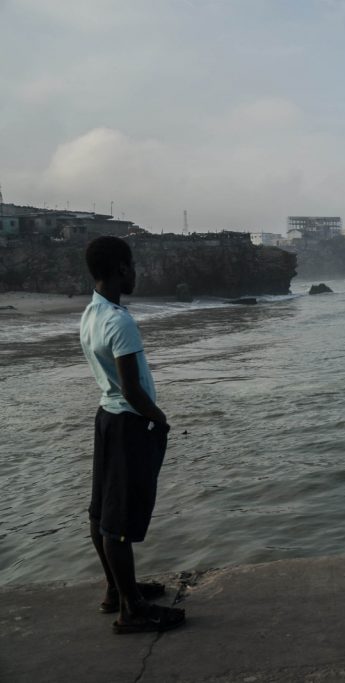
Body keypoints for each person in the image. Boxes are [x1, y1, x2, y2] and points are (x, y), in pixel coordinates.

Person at [79, 236, 185, 634]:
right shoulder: (119, 322)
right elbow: (132, 388)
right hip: (127, 422)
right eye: (132, 266)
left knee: (100, 512)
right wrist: (159, 419)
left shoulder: (91, 313)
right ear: (121, 268)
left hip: (106, 418)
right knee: (118, 523)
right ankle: (132, 609)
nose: (135, 273)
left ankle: (115, 590)